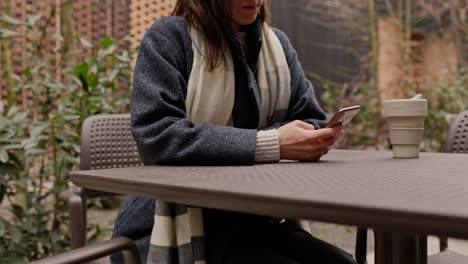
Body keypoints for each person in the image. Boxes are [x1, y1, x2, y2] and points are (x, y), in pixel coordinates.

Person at [112, 0, 356, 264]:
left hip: (252, 220)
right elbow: (158, 136)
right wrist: (272, 143)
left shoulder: (277, 45)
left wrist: (302, 139)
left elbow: (311, 119)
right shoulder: (169, 38)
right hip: (169, 224)